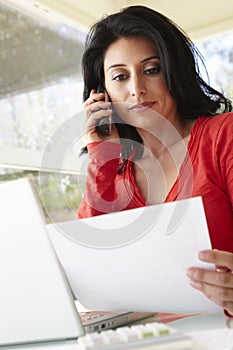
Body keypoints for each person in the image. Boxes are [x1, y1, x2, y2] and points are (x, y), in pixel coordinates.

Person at [77, 5, 233, 315]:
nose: (136, 89)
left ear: (174, 71)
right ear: (102, 93)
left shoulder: (223, 136)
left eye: (151, 69)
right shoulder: (113, 172)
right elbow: (93, 274)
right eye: (120, 77)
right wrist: (102, 159)